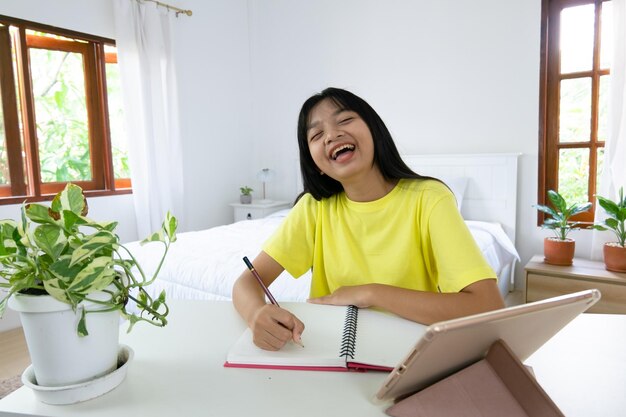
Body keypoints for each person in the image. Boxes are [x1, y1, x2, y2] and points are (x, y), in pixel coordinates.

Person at [232, 87, 504, 351]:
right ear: (316, 164)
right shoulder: (314, 207)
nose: (332, 135)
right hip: (334, 352)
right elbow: (246, 283)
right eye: (316, 134)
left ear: (374, 131)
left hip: (409, 354)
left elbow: (487, 306)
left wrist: (371, 293)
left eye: (345, 120)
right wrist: (256, 314)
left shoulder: (431, 199)